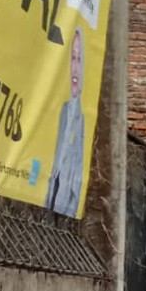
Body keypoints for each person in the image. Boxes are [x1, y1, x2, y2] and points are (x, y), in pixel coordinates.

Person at [45, 28, 87, 218]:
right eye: (72, 58)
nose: (75, 68)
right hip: (49, 199)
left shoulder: (83, 119)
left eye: (79, 59)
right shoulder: (61, 110)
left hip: (67, 206)